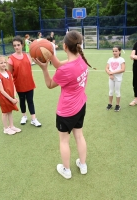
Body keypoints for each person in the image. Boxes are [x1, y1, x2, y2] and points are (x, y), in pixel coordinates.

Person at [33, 30, 93, 179]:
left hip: (66, 111)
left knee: (64, 140)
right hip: (80, 105)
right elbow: (59, 64)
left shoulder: (66, 70)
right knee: (79, 136)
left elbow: (49, 84)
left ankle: (66, 170)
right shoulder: (82, 60)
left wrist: (44, 69)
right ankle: (83, 165)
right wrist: (50, 54)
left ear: (64, 46)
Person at [8, 36, 42, 127]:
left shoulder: (28, 56)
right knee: (22, 101)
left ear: (22, 45)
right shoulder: (11, 58)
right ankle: (24, 116)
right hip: (19, 84)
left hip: (29, 83)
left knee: (30, 100)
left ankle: (34, 119)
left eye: (18, 45)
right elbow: (10, 73)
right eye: (14, 45)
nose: (16, 47)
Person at [0, 55, 21, 135]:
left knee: (10, 111)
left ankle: (11, 126)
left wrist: (15, 97)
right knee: (5, 112)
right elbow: (1, 90)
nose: (3, 64)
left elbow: (13, 85)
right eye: (1, 63)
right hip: (4, 98)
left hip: (11, 96)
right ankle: (6, 128)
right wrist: (11, 99)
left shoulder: (8, 72)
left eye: (4, 62)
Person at [105, 46, 126, 111]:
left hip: (118, 79)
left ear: (119, 51)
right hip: (111, 78)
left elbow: (123, 69)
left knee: (117, 92)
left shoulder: (121, 59)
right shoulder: (110, 59)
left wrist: (112, 72)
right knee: (111, 91)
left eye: (116, 51)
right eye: (113, 51)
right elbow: (106, 68)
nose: (114, 52)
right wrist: (109, 73)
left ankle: (117, 105)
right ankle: (110, 104)